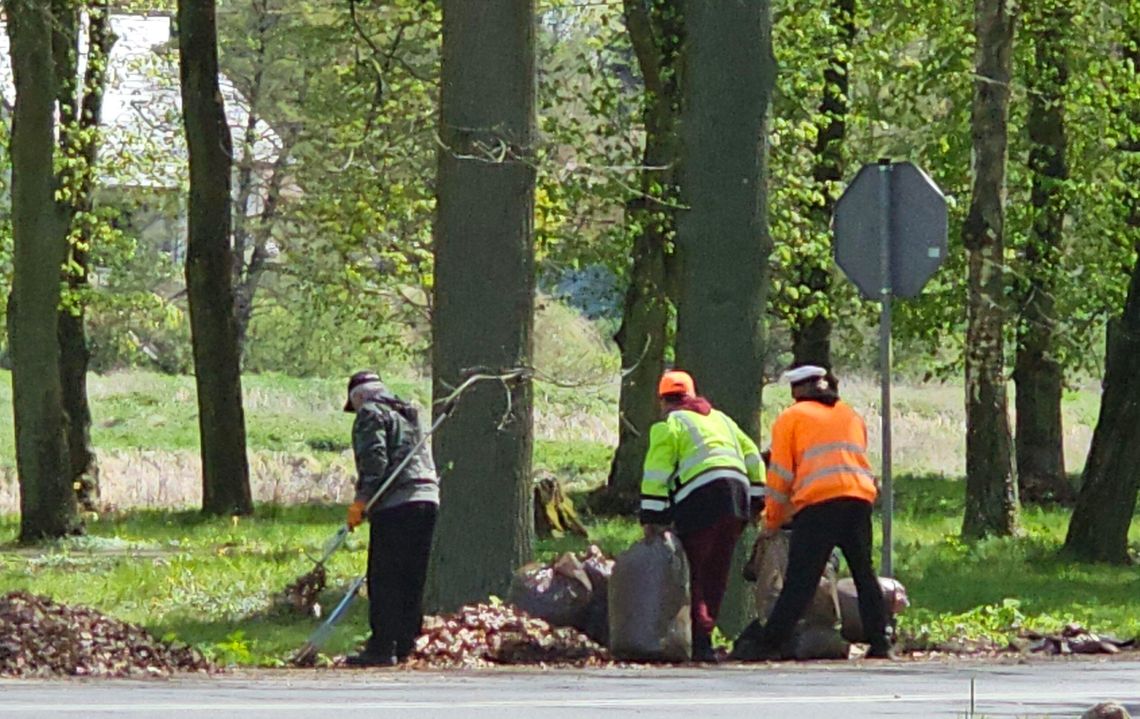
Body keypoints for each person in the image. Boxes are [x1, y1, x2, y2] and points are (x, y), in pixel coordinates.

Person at [733, 364, 893, 661]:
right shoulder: (850, 415)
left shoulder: (791, 418)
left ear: (797, 390)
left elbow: (780, 476)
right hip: (859, 499)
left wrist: (772, 520)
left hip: (819, 505)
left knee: (800, 580)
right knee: (863, 573)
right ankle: (881, 640)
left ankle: (770, 643)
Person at [640, 370, 766, 662]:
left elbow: (656, 474)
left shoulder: (669, 425)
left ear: (662, 401)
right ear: (693, 395)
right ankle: (706, 636)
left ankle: (699, 643)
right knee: (717, 573)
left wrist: (652, 518)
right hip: (736, 498)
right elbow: (753, 458)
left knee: (694, 572)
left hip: (701, 500)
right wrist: (757, 501)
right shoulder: (722, 420)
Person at [341, 370, 439, 667]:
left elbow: (375, 461)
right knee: (412, 576)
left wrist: (361, 501)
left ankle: (382, 647)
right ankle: (407, 642)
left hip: (397, 504)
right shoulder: (408, 412)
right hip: (428, 499)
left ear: (358, 398)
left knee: (384, 577)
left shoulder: (370, 413)